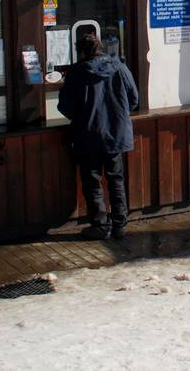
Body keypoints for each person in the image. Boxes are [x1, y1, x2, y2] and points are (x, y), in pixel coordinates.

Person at [58, 33, 139, 240]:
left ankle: (100, 226)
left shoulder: (77, 73)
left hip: (88, 134)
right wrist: (118, 115)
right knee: (116, 179)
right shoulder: (119, 67)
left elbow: (65, 106)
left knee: (92, 182)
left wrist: (81, 117)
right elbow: (133, 99)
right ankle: (120, 224)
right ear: (100, 48)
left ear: (81, 51)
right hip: (115, 134)